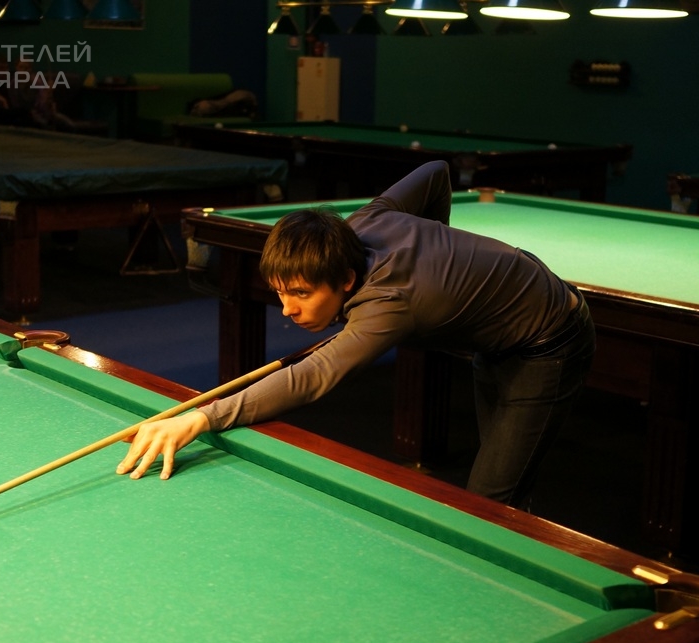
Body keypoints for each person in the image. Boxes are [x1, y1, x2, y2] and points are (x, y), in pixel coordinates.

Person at [116, 161, 596, 509]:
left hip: (549, 341)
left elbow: (311, 377)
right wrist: (442, 258)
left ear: (346, 280)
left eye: (301, 293)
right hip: (499, 334)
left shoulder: (389, 306)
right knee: (506, 476)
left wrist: (201, 418)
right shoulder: (361, 224)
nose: (288, 309)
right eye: (280, 292)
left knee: (490, 502)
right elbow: (435, 173)